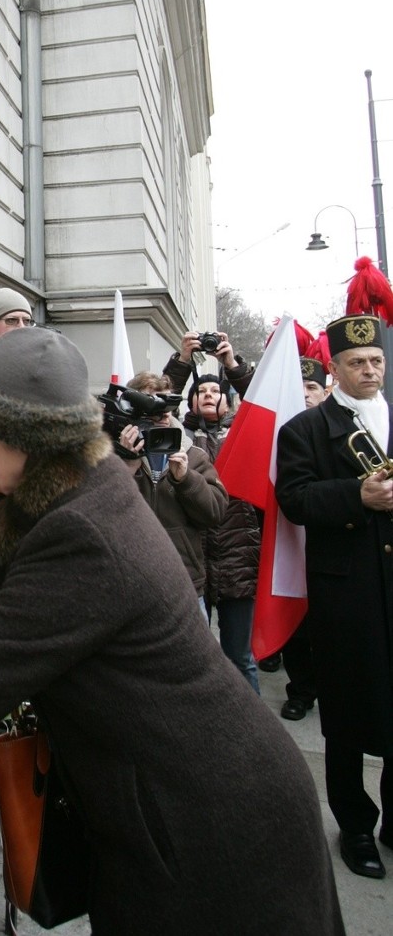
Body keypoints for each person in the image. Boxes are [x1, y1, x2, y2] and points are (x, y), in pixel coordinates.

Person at [0, 327, 344, 936]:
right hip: (175, 805)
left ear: (25, 436)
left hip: (209, 827)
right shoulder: (68, 493)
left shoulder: (80, 534)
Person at [277, 314, 393, 880]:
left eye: (376, 362)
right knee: (346, 714)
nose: (369, 371)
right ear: (336, 369)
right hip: (347, 593)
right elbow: (294, 500)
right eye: (357, 363)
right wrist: (357, 496)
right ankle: (354, 828)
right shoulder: (304, 429)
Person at [164, 338, 262, 693]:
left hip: (238, 556)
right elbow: (159, 397)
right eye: (200, 391)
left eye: (214, 391)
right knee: (197, 657)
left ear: (226, 399)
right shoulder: (177, 435)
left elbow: (263, 399)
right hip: (193, 559)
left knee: (241, 658)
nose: (207, 395)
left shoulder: (242, 430)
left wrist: (232, 363)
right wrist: (183, 359)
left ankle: (254, 739)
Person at [116, 372, 227, 618]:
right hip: (129, 584)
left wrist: (185, 479)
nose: (162, 415)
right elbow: (101, 515)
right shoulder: (111, 455)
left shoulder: (194, 454)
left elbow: (215, 513)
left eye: (166, 406)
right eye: (152, 405)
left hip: (184, 583)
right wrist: (127, 468)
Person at [278, 356, 325, 723]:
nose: (305, 394)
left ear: (326, 389)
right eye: (300, 387)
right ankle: (302, 690)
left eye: (311, 387)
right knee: (295, 620)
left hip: (333, 545)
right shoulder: (287, 429)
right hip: (288, 539)